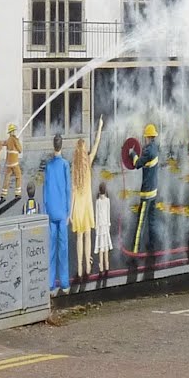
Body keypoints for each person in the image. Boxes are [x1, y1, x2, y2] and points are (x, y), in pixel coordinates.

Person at [70, 117, 104, 279]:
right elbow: (96, 144)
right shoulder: (88, 161)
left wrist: (70, 212)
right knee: (87, 235)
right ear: (84, 151)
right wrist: (100, 127)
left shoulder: (74, 168)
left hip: (77, 205)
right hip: (87, 205)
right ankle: (89, 267)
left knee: (79, 237)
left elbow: (72, 191)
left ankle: (79, 266)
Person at [43, 134, 72, 294]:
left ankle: (51, 285)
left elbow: (45, 190)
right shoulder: (65, 165)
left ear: (53, 145)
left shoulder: (48, 166)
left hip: (51, 211)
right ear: (62, 146)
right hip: (62, 211)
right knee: (63, 249)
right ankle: (65, 284)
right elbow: (68, 189)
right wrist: (68, 212)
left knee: (51, 249)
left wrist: (45, 211)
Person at [128, 124, 160, 255]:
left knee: (140, 223)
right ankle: (152, 246)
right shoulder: (155, 148)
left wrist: (132, 153)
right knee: (152, 221)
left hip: (146, 193)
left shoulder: (148, 151)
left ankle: (135, 252)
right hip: (154, 191)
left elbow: (137, 164)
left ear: (147, 137)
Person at [94, 181, 112, 273]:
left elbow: (97, 215)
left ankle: (101, 266)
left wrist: (96, 226)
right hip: (105, 225)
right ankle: (107, 265)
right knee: (105, 248)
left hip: (100, 226)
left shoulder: (98, 201)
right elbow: (108, 213)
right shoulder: (107, 200)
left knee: (101, 247)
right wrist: (108, 224)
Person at [2, 123, 23, 198]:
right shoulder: (14, 139)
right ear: (11, 132)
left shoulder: (8, 140)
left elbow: (3, 143)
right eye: (13, 131)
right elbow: (20, 150)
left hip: (8, 162)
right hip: (14, 162)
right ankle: (17, 193)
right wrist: (17, 141)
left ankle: (3, 194)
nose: (14, 132)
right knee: (18, 176)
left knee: (7, 177)